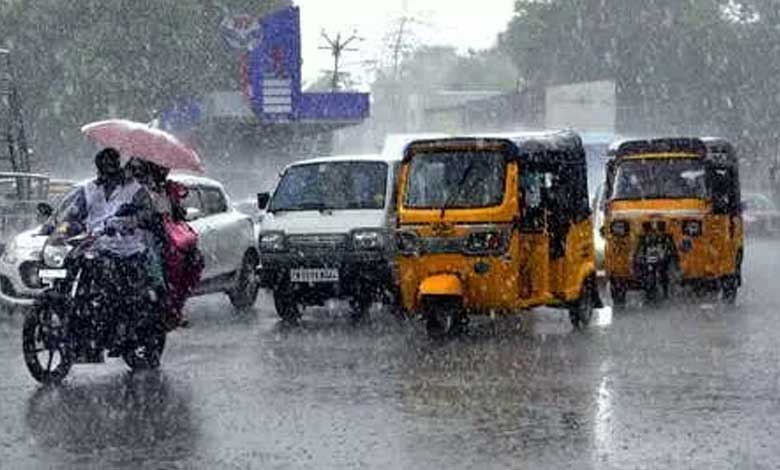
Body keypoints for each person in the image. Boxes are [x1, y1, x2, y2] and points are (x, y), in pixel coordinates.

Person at [128, 158, 203, 330]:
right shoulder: (136, 190)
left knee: (189, 265)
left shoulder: (168, 190)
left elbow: (177, 214)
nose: (165, 172)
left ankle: (172, 309)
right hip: (146, 240)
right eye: (161, 168)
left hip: (170, 240)